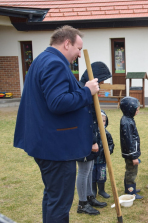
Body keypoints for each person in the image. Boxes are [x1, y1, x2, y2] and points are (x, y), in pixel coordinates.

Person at [13, 25, 99, 222]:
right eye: (78, 48)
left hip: (46, 143)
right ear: (67, 43)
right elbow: (57, 102)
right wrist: (87, 91)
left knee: (53, 196)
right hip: (56, 148)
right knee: (60, 202)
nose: (79, 54)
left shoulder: (42, 59)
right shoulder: (55, 63)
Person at [120, 97, 143, 199]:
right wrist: (134, 156)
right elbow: (129, 140)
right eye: (136, 110)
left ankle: (128, 188)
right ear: (129, 109)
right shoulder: (127, 122)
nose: (137, 112)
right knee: (131, 173)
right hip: (131, 154)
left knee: (129, 170)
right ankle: (131, 192)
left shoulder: (128, 120)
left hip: (130, 153)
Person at [92, 110, 114, 199]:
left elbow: (111, 143)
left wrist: (109, 150)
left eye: (104, 121)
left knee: (102, 175)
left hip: (102, 159)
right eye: (99, 121)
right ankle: (93, 190)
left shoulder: (107, 133)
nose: (102, 123)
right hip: (92, 160)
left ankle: (101, 190)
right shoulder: (92, 134)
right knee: (92, 176)